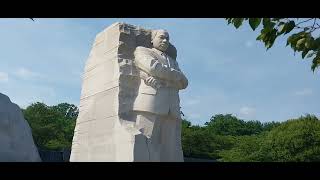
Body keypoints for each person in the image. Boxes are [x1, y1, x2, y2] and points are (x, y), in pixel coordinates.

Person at [132, 29, 188, 161]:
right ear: (152, 39)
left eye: (167, 39)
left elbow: (184, 82)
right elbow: (152, 67)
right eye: (162, 37)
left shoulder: (172, 60)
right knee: (145, 142)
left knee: (171, 147)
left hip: (172, 107)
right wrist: (175, 76)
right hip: (151, 102)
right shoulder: (143, 51)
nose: (165, 41)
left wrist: (166, 76)